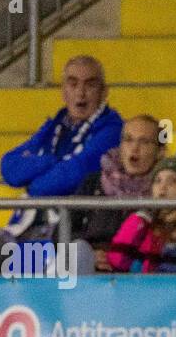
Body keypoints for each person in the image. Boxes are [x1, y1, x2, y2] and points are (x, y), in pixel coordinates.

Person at [0, 55, 122, 240]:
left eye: (89, 85)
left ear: (104, 92)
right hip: (35, 227)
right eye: (73, 84)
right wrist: (53, 161)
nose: (81, 93)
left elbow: (72, 175)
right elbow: (9, 167)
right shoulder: (55, 125)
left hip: (76, 229)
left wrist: (33, 179)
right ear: (63, 91)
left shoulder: (111, 128)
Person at [70, 114, 164, 272]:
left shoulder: (163, 190)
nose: (134, 148)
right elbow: (62, 232)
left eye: (144, 142)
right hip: (91, 270)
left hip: (138, 272)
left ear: (159, 152)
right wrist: (91, 254)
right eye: (128, 140)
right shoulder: (93, 183)